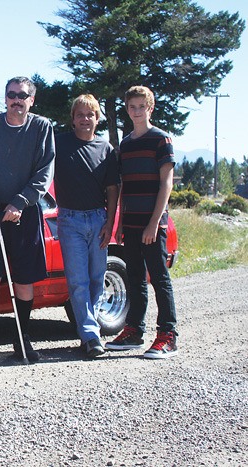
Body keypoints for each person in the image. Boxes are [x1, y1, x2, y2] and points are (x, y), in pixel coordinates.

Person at [0, 76, 55, 363]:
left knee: (24, 279)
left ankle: (22, 339)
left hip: (25, 211)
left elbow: (44, 172)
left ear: (32, 100)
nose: (17, 100)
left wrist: (21, 201)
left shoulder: (42, 127)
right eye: (11, 94)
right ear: (5, 98)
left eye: (23, 95)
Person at [105, 85, 178, 359]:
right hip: (131, 224)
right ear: (127, 109)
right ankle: (134, 330)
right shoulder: (126, 143)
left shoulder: (161, 140)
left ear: (151, 107)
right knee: (135, 278)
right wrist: (122, 222)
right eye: (132, 107)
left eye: (141, 106)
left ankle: (168, 335)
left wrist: (153, 223)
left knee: (159, 278)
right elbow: (124, 185)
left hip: (152, 224)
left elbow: (166, 184)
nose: (137, 111)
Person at [54, 94, 119, 359]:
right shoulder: (59, 144)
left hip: (98, 219)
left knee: (96, 279)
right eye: (80, 114)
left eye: (90, 114)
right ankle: (91, 336)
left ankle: (89, 330)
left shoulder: (106, 150)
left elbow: (113, 189)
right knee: (78, 282)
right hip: (69, 220)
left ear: (97, 118)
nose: (85, 119)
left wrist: (110, 223)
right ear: (73, 119)